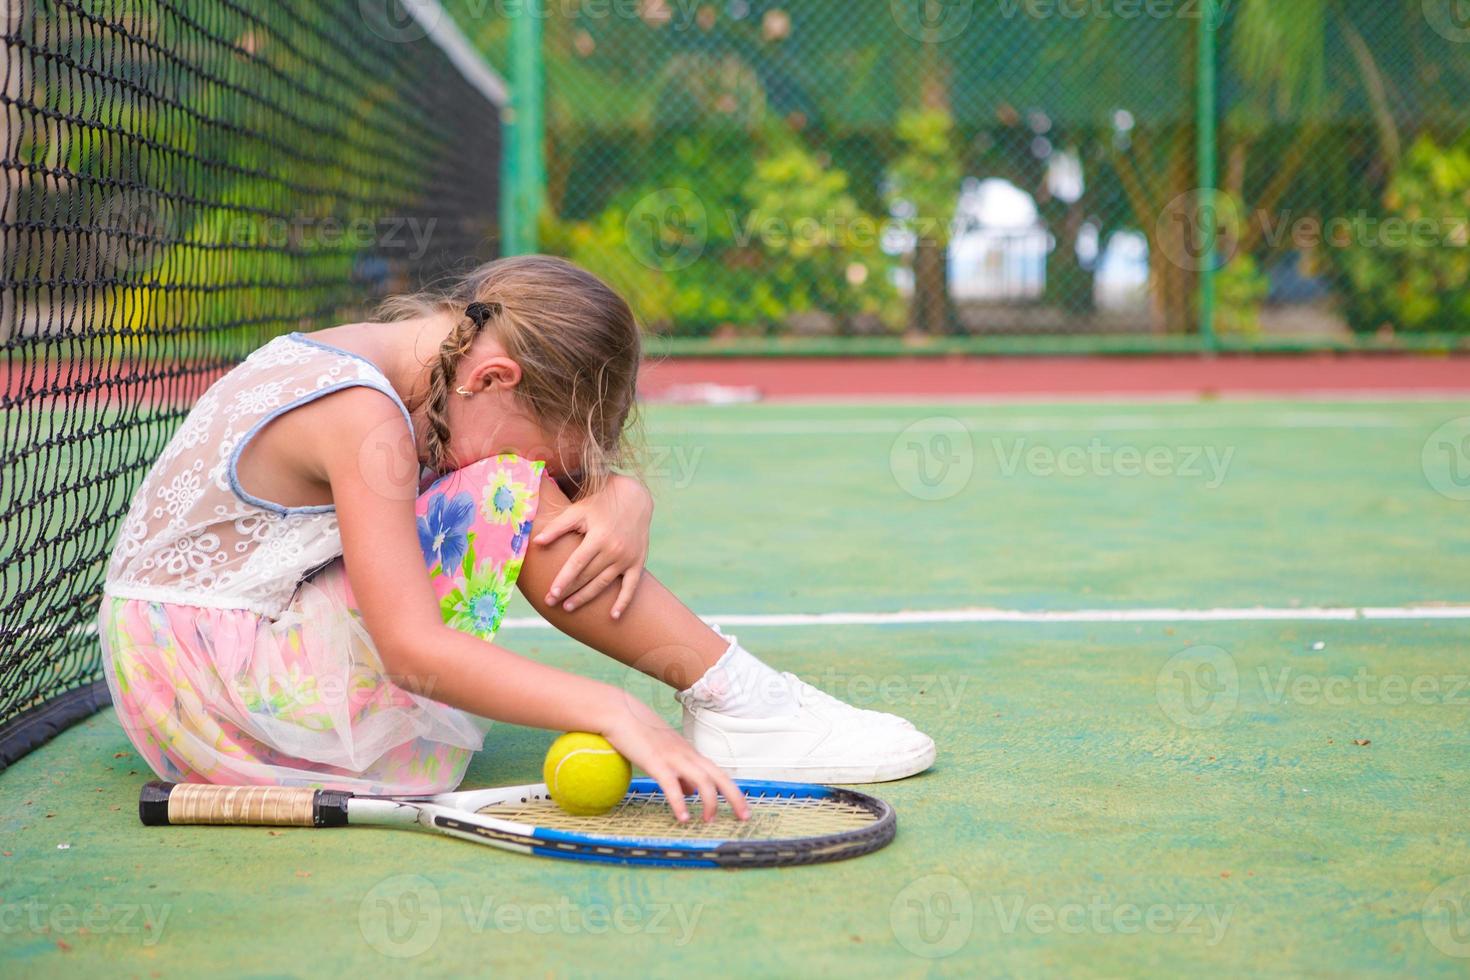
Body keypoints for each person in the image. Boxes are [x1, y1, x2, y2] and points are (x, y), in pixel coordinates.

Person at [99, 255, 935, 822]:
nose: (543, 477)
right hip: (222, 694)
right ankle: (739, 703)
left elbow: (512, 480)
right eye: (533, 447)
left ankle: (740, 697)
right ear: (494, 377)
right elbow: (414, 652)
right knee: (503, 493)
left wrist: (624, 493)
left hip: (173, 674)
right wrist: (613, 710)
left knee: (508, 486)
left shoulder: (383, 364)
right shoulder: (365, 421)